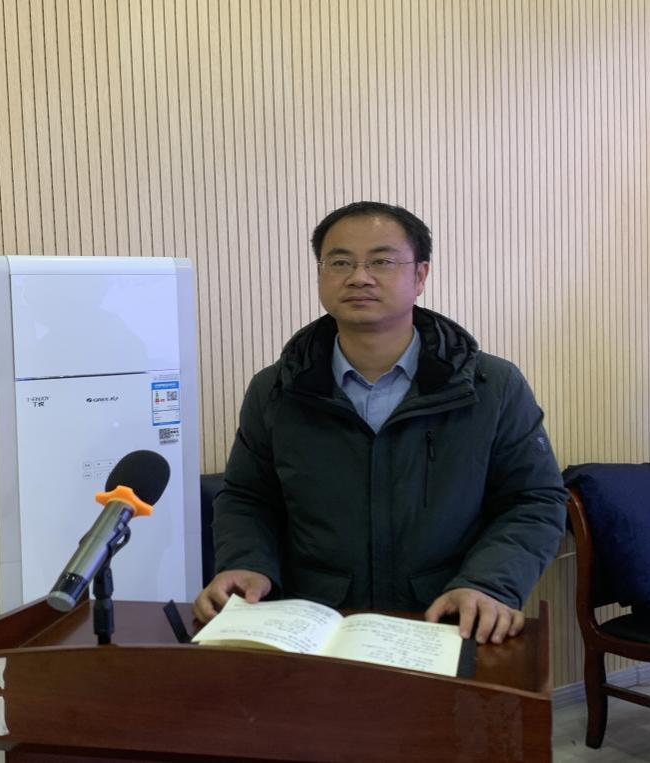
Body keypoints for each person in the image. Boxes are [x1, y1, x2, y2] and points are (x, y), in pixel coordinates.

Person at [194, 201, 567, 643]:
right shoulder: (277, 388)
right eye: (340, 262)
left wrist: (488, 584)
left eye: (382, 262)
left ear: (420, 276)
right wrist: (246, 563)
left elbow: (533, 499)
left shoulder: (491, 386)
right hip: (315, 623)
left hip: (447, 616)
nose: (359, 277)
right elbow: (247, 497)